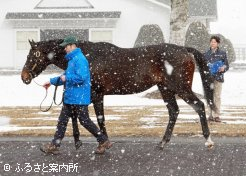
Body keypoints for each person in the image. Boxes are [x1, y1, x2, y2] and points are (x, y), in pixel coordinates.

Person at [40, 36, 112, 154]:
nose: (64, 49)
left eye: (66, 47)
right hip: (71, 98)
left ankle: (103, 140)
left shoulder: (80, 59)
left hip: (79, 98)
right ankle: (54, 145)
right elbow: (65, 75)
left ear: (72, 46)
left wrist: (67, 77)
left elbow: (82, 77)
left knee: (84, 121)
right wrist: (51, 82)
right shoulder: (72, 60)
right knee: (62, 121)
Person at [204, 36, 229, 122]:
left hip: (218, 78)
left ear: (218, 43)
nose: (212, 43)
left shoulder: (222, 53)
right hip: (208, 79)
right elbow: (203, 67)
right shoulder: (206, 54)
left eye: (214, 42)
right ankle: (210, 115)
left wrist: (223, 68)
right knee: (209, 97)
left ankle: (216, 115)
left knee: (217, 97)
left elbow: (226, 65)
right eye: (211, 42)